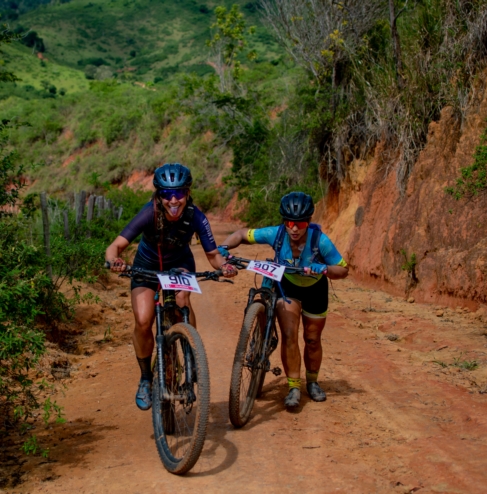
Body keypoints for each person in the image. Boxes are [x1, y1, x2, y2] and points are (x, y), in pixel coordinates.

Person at [105, 163, 237, 410]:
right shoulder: (149, 213)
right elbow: (115, 246)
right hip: (147, 266)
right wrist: (114, 260)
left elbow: (213, 255)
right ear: (159, 195)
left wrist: (225, 266)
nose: (173, 200)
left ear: (188, 193)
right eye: (167, 194)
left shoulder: (196, 216)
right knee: (143, 321)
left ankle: (191, 351)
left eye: (179, 193)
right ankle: (146, 378)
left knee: (182, 301)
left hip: (179, 264)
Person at [217, 192, 348, 407]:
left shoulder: (320, 241)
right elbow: (241, 234)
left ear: (309, 222)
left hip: (315, 289)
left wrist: (324, 268)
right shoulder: (276, 234)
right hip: (288, 286)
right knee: (289, 334)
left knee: (312, 339)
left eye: (300, 223)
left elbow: (343, 270)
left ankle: (312, 382)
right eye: (289, 223)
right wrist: (224, 247)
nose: (294, 228)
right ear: (284, 222)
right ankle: (294, 387)